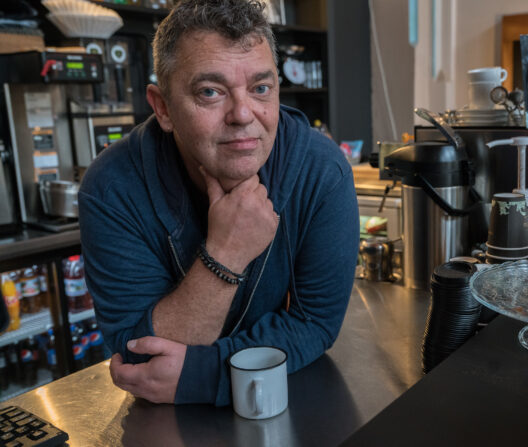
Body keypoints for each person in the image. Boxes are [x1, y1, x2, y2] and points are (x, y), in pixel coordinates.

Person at [78, 0, 359, 406]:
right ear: (163, 107)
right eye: (210, 92)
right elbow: (138, 356)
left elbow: (314, 322)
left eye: (260, 88)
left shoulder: (322, 171)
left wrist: (205, 375)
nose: (243, 114)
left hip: (285, 404)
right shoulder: (112, 187)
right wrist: (226, 254)